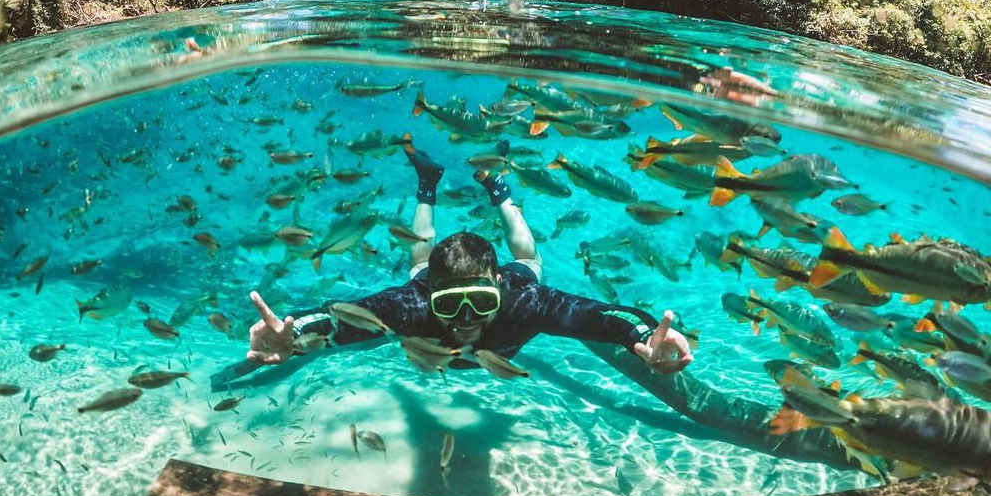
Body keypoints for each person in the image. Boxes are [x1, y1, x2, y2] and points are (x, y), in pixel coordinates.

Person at [241, 141, 694, 378]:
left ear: (496, 286)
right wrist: (294, 330)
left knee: (528, 255)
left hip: (506, 275)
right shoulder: (413, 303)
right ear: (432, 297)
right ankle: (427, 183)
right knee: (419, 259)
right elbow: (340, 317)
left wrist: (642, 334)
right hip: (427, 280)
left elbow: (602, 315)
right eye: (450, 304)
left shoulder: (523, 299)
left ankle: (500, 191)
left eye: (479, 301)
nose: (463, 319)